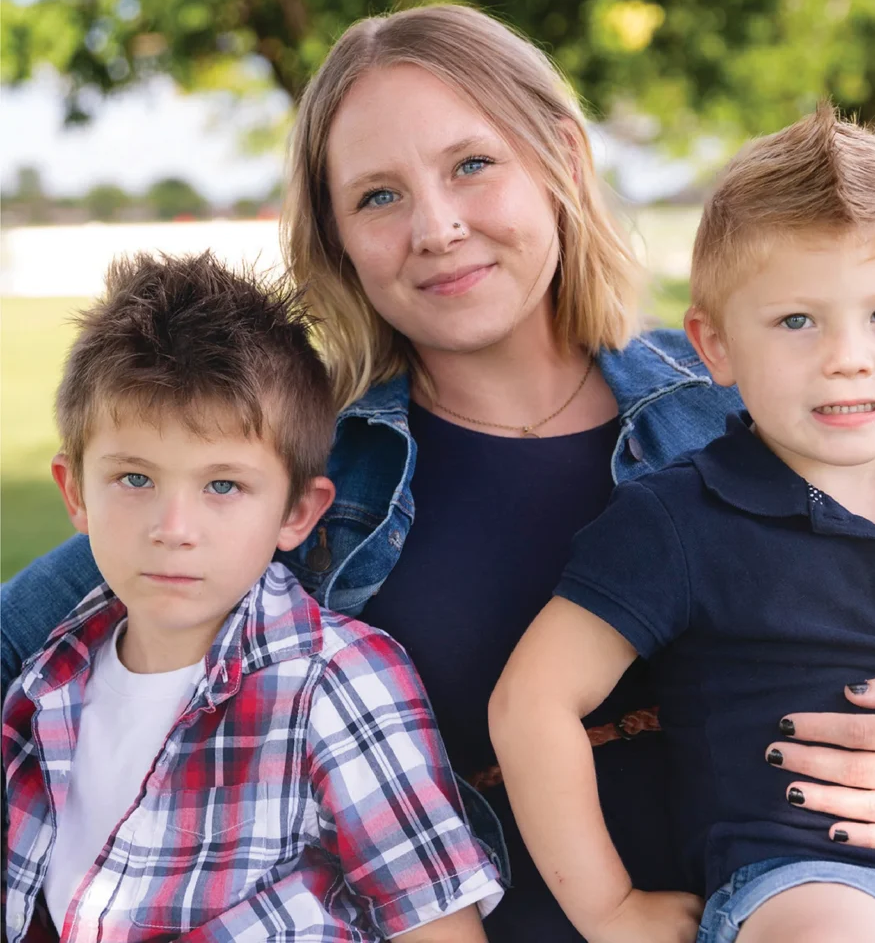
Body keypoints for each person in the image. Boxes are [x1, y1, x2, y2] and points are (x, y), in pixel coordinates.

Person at [1, 6, 875, 939]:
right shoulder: (305, 470)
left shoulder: (746, 397)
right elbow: (51, 616)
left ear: (560, 159)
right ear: (340, 238)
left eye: (472, 164)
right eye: (379, 195)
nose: (437, 227)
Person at [489, 106, 875, 943]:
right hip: (816, 882)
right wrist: (609, 907)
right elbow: (532, 702)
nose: (848, 354)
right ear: (716, 347)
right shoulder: (679, 518)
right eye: (797, 321)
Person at [2, 252, 502, 943]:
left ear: (298, 511)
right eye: (135, 479)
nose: (174, 530)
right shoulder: (47, 685)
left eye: (223, 486)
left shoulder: (334, 683)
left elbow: (438, 930)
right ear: (75, 492)